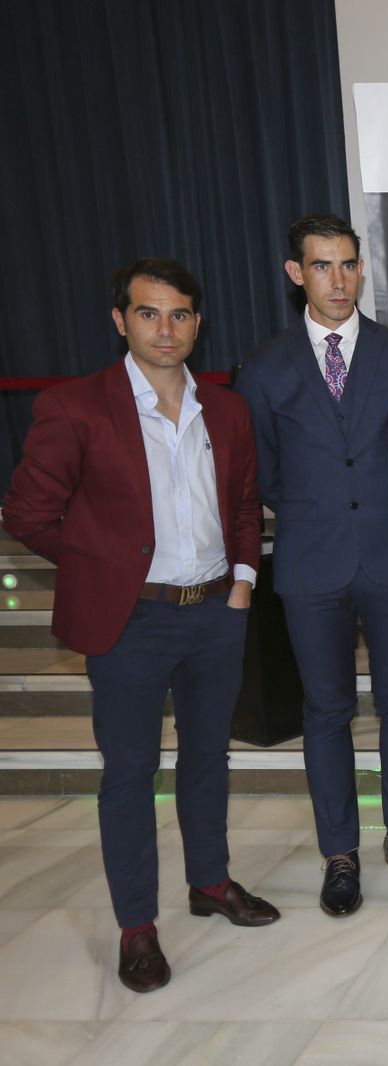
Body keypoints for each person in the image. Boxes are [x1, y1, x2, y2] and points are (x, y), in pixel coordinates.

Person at [3, 259, 279, 992]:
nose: (166, 328)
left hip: (216, 612)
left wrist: (244, 581)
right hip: (129, 620)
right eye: (149, 313)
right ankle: (137, 927)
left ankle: (210, 883)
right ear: (120, 320)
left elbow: (244, 503)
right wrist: (104, 571)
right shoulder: (76, 407)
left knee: (208, 758)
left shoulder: (227, 410)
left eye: (180, 314)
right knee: (129, 773)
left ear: (197, 323)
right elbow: (27, 513)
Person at [236, 214, 388, 917]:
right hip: (311, 564)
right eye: (322, 266)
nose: (339, 279)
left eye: (349, 264)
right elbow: (262, 474)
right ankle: (340, 854)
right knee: (325, 710)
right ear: (296, 274)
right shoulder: (265, 369)